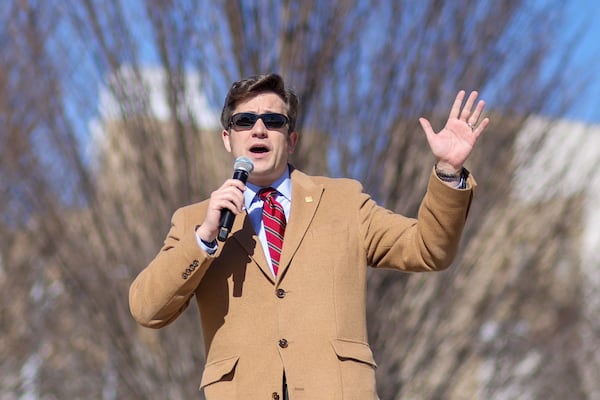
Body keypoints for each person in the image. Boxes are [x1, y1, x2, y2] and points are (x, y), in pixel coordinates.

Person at [129, 73, 489, 399]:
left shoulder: (344, 202)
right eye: (244, 121)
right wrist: (205, 237)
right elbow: (148, 309)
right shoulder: (196, 220)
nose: (259, 130)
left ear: (292, 139)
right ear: (228, 138)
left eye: (273, 121)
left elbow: (429, 249)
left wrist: (447, 171)